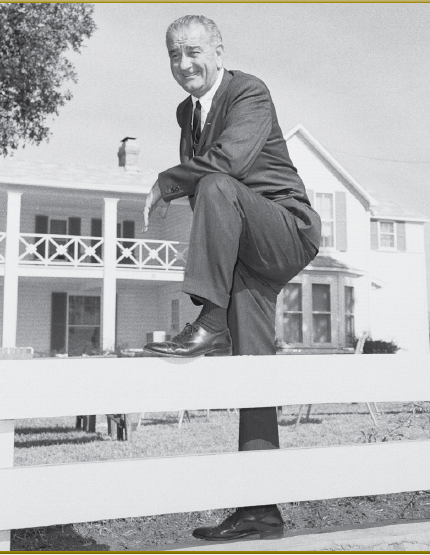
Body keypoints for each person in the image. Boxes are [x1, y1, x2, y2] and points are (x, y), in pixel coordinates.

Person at [142, 15, 321, 541]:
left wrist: (164, 182)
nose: (184, 64)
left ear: (219, 51)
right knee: (254, 374)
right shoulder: (186, 112)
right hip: (243, 255)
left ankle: (209, 319)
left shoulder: (249, 92)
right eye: (174, 55)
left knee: (217, 182)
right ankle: (260, 510)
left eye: (194, 52)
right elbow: (210, 195)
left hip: (285, 227)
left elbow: (225, 166)